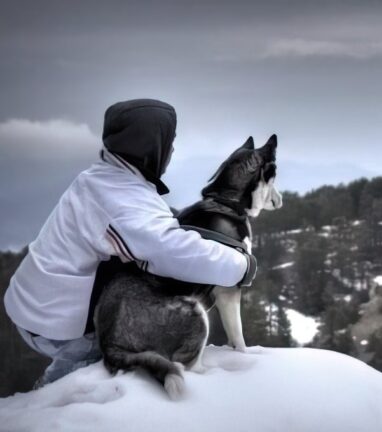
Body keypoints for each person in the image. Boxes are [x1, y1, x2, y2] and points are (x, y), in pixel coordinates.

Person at [3, 98, 257, 387]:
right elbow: (168, 250)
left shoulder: (104, 177)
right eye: (169, 141)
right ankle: (61, 398)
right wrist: (241, 265)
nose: (172, 150)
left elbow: (142, 223)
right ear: (150, 145)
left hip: (36, 300)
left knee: (130, 271)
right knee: (96, 363)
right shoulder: (119, 198)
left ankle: (52, 390)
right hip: (55, 325)